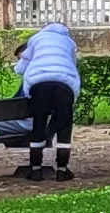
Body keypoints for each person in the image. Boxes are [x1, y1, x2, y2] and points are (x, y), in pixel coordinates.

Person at [11, 20, 82, 180]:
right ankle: (62, 170)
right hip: (65, 85)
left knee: (39, 125)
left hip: (39, 86)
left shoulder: (36, 39)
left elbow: (21, 67)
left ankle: (36, 169)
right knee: (64, 128)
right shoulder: (69, 42)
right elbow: (72, 63)